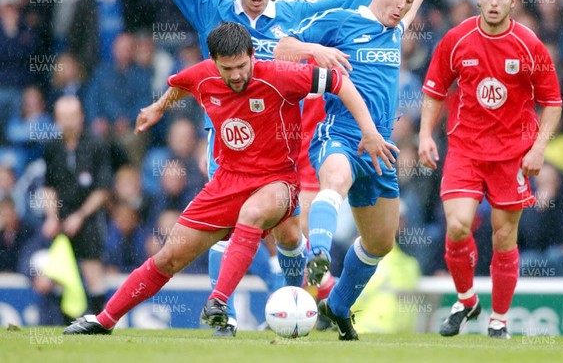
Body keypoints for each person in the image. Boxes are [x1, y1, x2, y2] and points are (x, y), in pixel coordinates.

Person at [158, 0, 429, 337]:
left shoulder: (291, 13)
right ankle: (222, 315)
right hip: (229, 138)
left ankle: (295, 302)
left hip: (282, 140)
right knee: (229, 224)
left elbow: (345, 2)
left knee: (288, 231)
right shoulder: (212, 10)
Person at [63, 22, 395, 335]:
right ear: (214, 62)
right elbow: (180, 85)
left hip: (277, 181)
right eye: (227, 69)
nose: (236, 75)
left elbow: (338, 82)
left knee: (253, 215)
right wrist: (158, 108)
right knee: (168, 257)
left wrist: (368, 130)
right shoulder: (204, 75)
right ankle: (104, 320)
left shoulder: (280, 75)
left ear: (252, 55)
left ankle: (219, 301)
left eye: (241, 66)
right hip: (226, 182)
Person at [274, 0, 432, 340]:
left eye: (407, 0)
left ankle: (339, 305)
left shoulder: (395, 31)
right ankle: (320, 254)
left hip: (380, 149)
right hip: (340, 135)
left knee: (381, 241)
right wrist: (317, 51)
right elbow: (282, 46)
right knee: (336, 180)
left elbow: (409, 4)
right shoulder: (342, 20)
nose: (401, 6)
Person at [417, 0, 563, 339]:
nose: (494, 3)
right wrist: (425, 136)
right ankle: (467, 301)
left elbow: (553, 102)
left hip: (512, 154)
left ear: (513, 3)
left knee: (503, 236)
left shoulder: (530, 45)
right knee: (457, 225)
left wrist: (539, 148)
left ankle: (498, 320)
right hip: (465, 149)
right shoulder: (456, 39)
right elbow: (434, 90)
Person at [42, 96, 113, 318]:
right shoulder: (53, 147)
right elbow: (49, 187)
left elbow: (103, 190)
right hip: (62, 220)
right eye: (63, 117)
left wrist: (80, 216)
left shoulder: (96, 145)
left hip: (89, 218)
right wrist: (52, 216)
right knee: (63, 274)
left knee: (93, 271)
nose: (68, 122)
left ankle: (99, 320)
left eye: (72, 116)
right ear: (56, 119)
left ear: (82, 117)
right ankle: (68, 323)